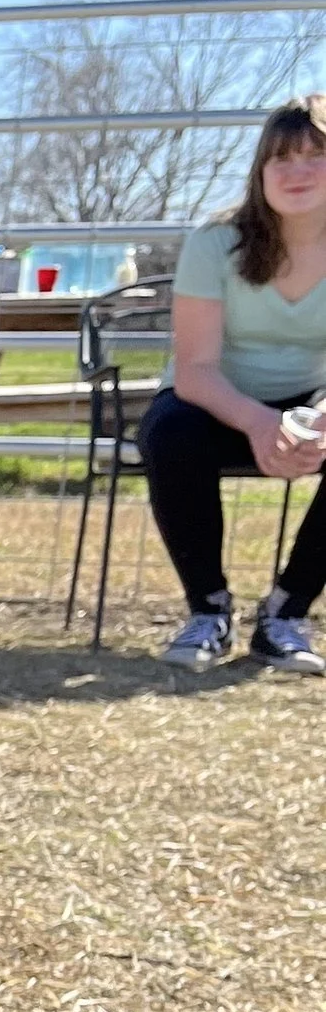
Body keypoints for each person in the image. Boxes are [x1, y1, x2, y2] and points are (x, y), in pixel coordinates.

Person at [141, 96, 326, 671]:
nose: (296, 171)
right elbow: (195, 368)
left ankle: (286, 614)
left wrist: (320, 422)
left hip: (313, 407)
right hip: (217, 402)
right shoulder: (215, 241)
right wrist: (258, 422)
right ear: (259, 173)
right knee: (168, 433)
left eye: (315, 154)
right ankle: (209, 611)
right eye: (280, 159)